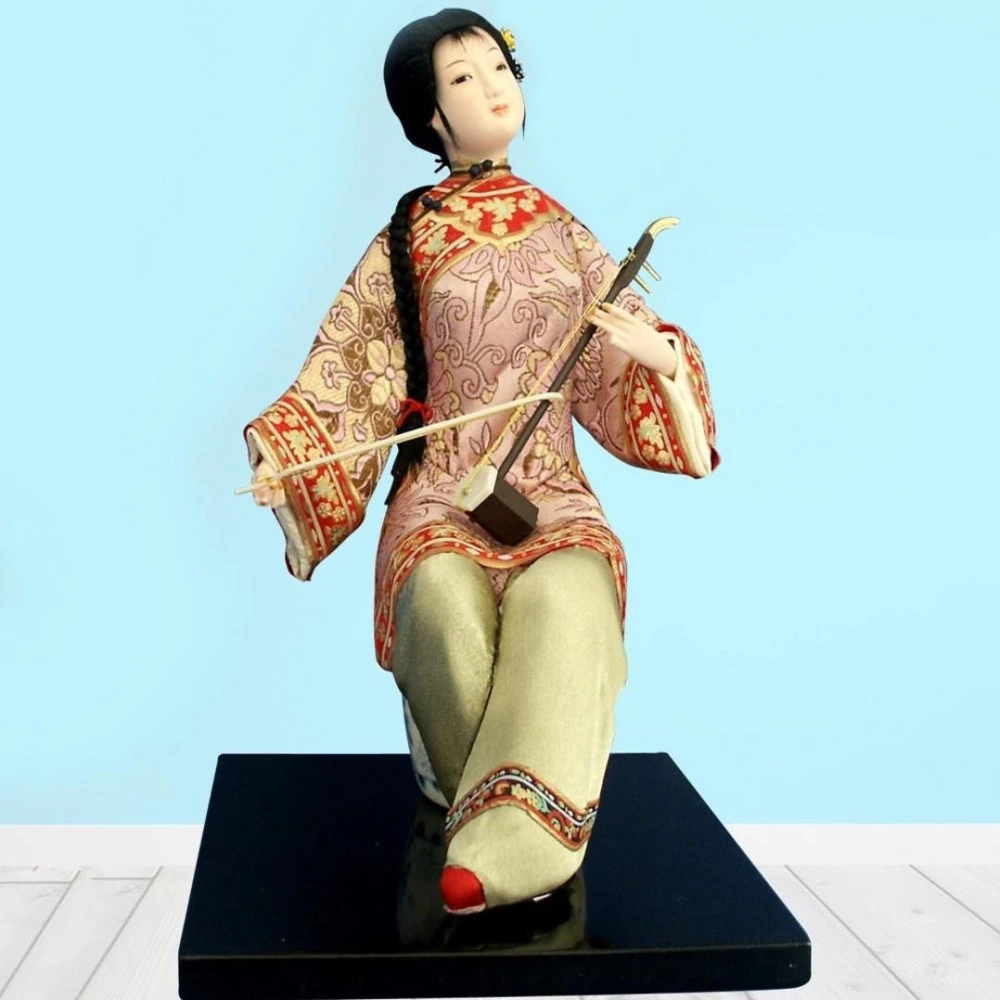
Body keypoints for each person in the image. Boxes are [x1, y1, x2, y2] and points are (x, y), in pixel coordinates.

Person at [245, 8, 720, 915]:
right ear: (430, 117)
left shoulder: (563, 232)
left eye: (498, 67)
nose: (493, 87)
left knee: (570, 594)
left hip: (551, 492)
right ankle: (507, 817)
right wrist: (290, 456)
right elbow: (355, 370)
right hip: (441, 491)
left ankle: (508, 846)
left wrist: (660, 360)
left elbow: (613, 367)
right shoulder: (407, 238)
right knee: (438, 598)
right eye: (462, 79)